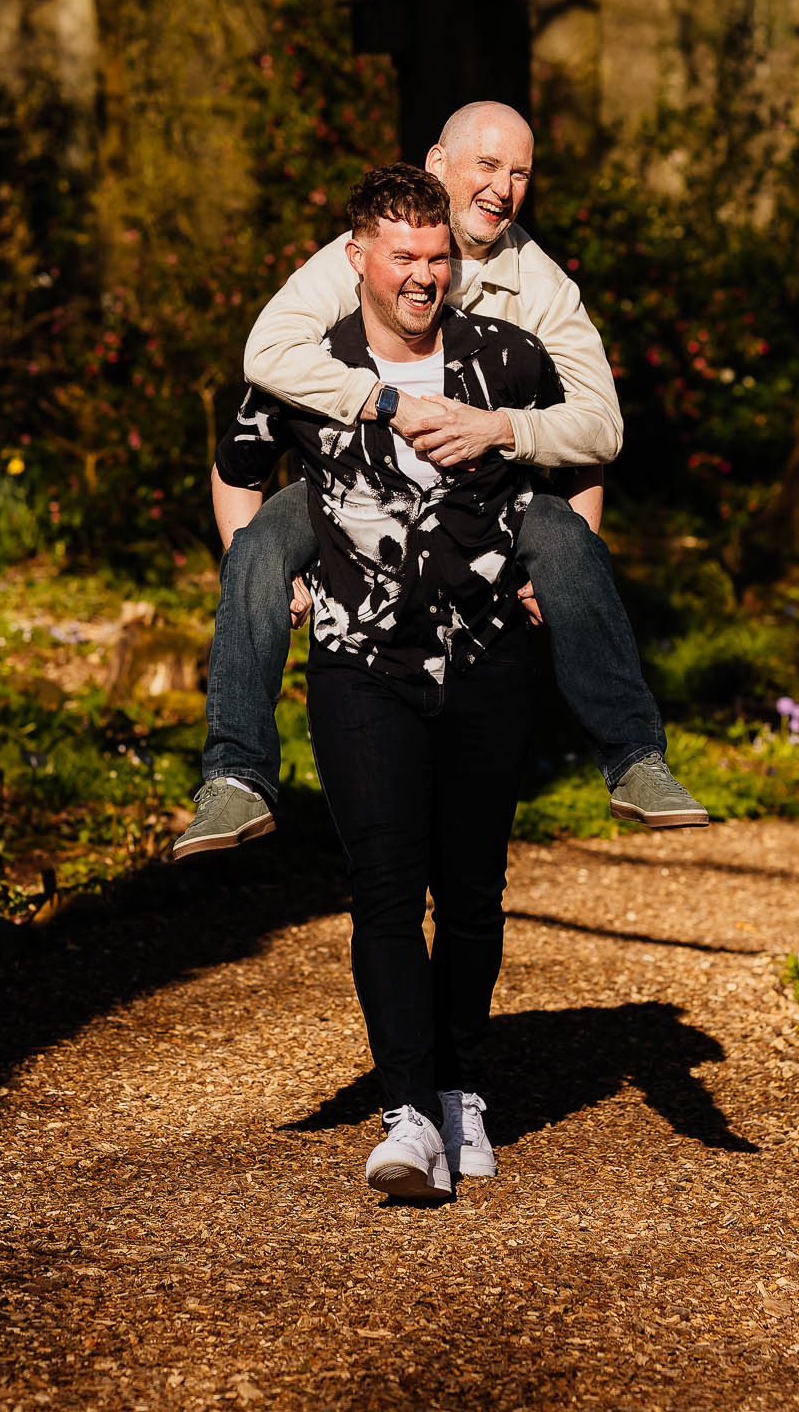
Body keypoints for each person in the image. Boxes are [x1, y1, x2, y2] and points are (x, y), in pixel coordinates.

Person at [174, 99, 706, 860]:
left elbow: (600, 430)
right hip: (350, 484)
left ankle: (633, 761)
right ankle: (234, 777)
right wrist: (381, 402)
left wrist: (501, 430)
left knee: (564, 541)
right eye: (487, 165)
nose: (502, 188)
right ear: (438, 165)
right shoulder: (368, 248)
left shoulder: (544, 290)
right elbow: (267, 357)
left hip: (488, 491)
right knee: (256, 550)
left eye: (519, 172)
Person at [209, 164, 562, 1195]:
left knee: (473, 893)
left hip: (490, 657)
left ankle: (462, 1092)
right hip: (361, 664)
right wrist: (261, 569)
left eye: (437, 257)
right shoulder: (305, 363)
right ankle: (407, 1109)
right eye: (402, 256)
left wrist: (562, 560)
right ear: (355, 255)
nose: (423, 275)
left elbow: (572, 455)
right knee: (381, 887)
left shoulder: (507, 355)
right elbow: (239, 468)